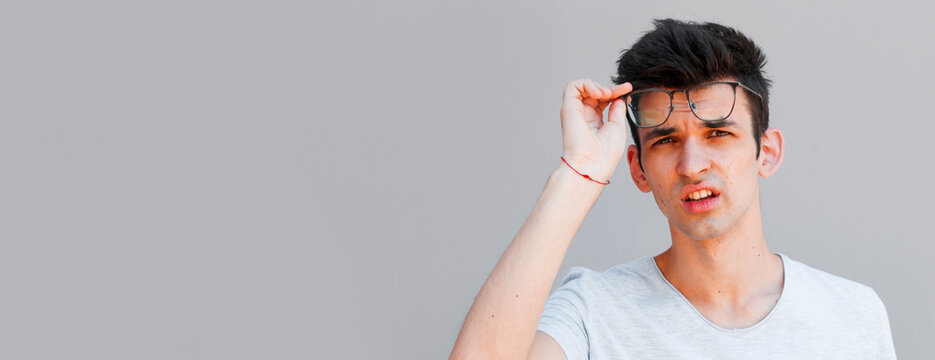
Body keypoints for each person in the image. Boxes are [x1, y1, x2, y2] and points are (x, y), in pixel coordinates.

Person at [449, 19, 897, 359]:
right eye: (665, 141)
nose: (692, 165)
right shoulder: (591, 312)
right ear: (638, 169)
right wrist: (578, 173)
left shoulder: (852, 315)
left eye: (718, 134)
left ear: (768, 152)